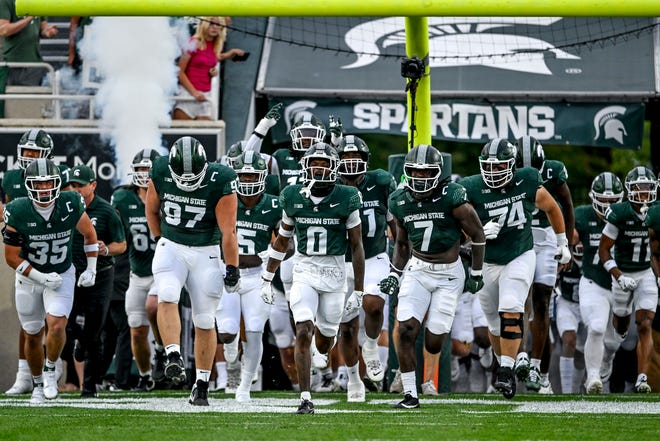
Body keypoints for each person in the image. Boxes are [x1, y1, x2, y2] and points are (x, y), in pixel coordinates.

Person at [460, 138, 570, 400]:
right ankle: (505, 361)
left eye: (499, 167)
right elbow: (456, 224)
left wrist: (562, 242)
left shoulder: (528, 180)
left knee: (511, 306)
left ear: (512, 165)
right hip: (486, 260)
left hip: (520, 254)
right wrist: (476, 234)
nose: (493, 172)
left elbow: (553, 207)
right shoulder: (471, 187)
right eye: (489, 167)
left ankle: (506, 371)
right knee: (494, 322)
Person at [260, 142, 364, 414]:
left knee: (326, 336)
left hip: (334, 272)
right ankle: (306, 397)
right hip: (304, 269)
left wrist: (360, 291)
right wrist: (267, 277)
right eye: (314, 163)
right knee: (303, 330)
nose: (319, 168)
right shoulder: (293, 196)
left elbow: (356, 246)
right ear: (305, 167)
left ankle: (324, 348)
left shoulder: (347, 196)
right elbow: (282, 241)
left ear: (334, 167)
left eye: (324, 163)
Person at [380, 144, 485, 409]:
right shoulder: (399, 200)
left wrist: (477, 272)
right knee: (405, 329)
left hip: (450, 275)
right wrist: (395, 273)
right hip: (418, 269)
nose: (421, 178)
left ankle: (426, 376)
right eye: (415, 172)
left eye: (428, 173)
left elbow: (478, 235)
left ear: (438, 174)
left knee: (434, 338)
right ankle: (410, 394)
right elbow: (402, 244)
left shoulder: (452, 196)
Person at [146, 136, 240, 406]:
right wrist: (158, 241)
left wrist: (232, 266)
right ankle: (173, 354)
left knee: (205, 319)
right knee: (166, 292)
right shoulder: (161, 169)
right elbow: (151, 210)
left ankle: (201, 385)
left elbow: (228, 231)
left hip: (205, 251)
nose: (187, 183)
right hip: (172, 245)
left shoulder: (220, 179)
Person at [3, 158, 98, 403]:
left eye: (49, 183)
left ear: (57, 183)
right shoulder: (18, 209)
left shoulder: (70, 203)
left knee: (56, 325)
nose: (44, 188)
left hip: (61, 273)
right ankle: (36, 385)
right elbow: (12, 258)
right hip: (29, 278)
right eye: (38, 183)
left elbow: (89, 235)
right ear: (28, 185)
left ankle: (49, 369)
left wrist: (91, 269)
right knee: (33, 333)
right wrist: (40, 277)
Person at [215, 151, 281, 402]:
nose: (248, 180)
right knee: (228, 331)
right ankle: (231, 347)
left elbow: (289, 242)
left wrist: (274, 253)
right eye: (243, 174)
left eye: (253, 174)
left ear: (263, 176)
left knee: (254, 330)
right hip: (228, 273)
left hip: (258, 276)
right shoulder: (226, 200)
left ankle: (244, 386)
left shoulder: (273, 204)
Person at [335, 135, 397, 400]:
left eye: (355, 158)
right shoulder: (328, 186)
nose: (350, 163)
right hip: (340, 262)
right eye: (345, 158)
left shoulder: (381, 181)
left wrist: (400, 258)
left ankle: (371, 345)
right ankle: (352, 380)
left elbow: (396, 222)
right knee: (346, 327)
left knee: (373, 304)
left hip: (374, 257)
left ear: (365, 160)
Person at [514, 135, 575, 393]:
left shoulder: (553, 170)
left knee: (541, 300)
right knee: (517, 300)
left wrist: (566, 245)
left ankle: (537, 367)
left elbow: (567, 206)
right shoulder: (504, 168)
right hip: (519, 235)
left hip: (548, 237)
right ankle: (515, 361)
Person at [1, 129, 58, 395]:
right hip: (26, 257)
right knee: (29, 321)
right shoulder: (12, 178)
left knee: (55, 319)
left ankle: (50, 370)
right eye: (27, 152)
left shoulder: (58, 174)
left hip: (55, 256)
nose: (30, 157)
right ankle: (24, 375)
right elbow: (5, 211)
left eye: (35, 153)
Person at [67, 165, 127, 398]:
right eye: (72, 185)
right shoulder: (65, 206)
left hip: (100, 274)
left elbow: (121, 245)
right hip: (70, 272)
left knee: (94, 330)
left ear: (93, 185)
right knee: (66, 324)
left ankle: (89, 388)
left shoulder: (106, 211)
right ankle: (78, 341)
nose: (75, 190)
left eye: (80, 185)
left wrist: (105, 249)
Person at [598, 166, 658, 393]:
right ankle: (611, 351)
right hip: (623, 271)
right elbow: (603, 251)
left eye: (647, 188)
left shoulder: (658, 212)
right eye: (638, 188)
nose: (643, 193)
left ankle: (642, 377)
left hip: (646, 272)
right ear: (629, 190)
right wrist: (618, 276)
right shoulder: (620, 213)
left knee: (645, 323)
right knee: (621, 325)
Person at [111, 148, 165, 392]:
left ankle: (163, 350)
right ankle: (145, 375)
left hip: (163, 270)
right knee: (136, 330)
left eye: (149, 169)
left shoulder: (166, 196)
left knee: (152, 306)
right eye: (140, 169)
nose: (144, 174)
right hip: (137, 271)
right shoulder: (123, 198)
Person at [575, 171, 624, 393]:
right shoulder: (583, 216)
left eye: (612, 201)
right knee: (595, 327)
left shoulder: (630, 217)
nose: (606, 206)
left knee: (614, 343)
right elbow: (569, 236)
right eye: (602, 201)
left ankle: (607, 359)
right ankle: (592, 377)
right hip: (593, 281)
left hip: (622, 285)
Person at [172, 16, 245, 120]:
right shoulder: (193, 42)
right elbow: (180, 72)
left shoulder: (216, 45)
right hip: (188, 95)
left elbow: (215, 57)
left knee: (204, 135)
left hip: (205, 96)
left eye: (218, 25)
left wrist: (229, 55)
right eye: (211, 23)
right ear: (204, 24)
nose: (215, 27)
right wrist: (194, 93)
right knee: (183, 134)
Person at [0, 0, 58, 117]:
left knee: (29, 105)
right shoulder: (6, 2)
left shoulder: (38, 2)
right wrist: (27, 19)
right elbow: (3, 30)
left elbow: (43, 28)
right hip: (11, 62)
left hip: (33, 64)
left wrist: (49, 31)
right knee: (9, 104)